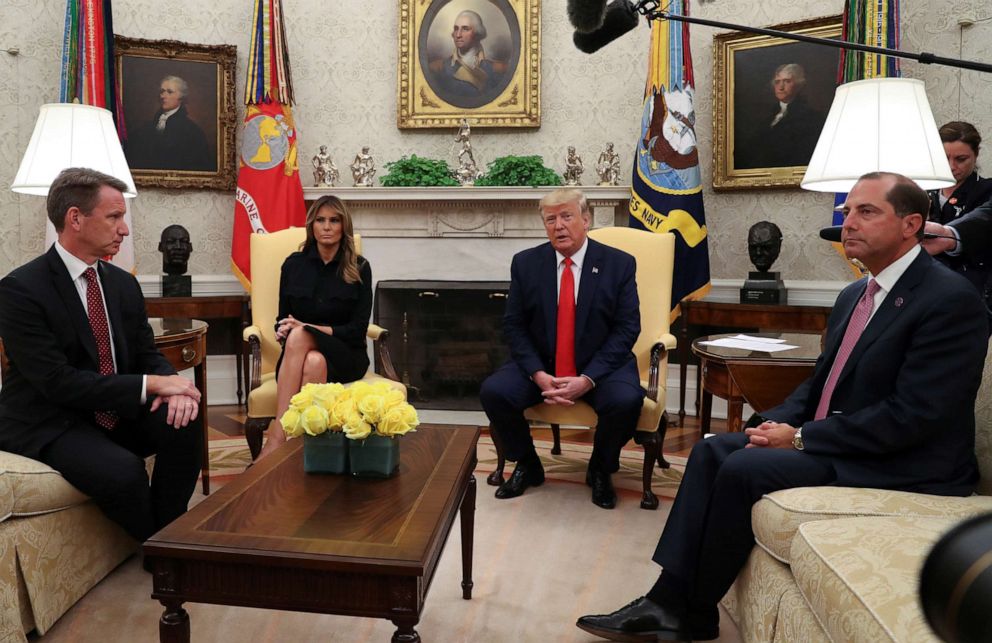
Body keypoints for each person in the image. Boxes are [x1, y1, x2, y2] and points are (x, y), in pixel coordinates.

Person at [576, 172, 989, 641]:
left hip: (908, 463)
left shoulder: (950, 300)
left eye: (866, 212)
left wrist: (799, 438)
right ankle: (672, 601)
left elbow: (915, 416)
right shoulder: (857, 292)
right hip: (848, 438)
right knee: (712, 451)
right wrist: (780, 419)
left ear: (912, 224)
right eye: (848, 210)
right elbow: (820, 382)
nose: (847, 222)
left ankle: (685, 610)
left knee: (744, 468)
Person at [0, 168, 202, 542]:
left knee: (185, 421)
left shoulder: (122, 284)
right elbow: (58, 383)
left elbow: (146, 352)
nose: (124, 229)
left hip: (111, 411)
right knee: (124, 472)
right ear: (75, 218)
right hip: (50, 420)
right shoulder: (20, 290)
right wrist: (151, 383)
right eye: (114, 217)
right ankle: (163, 547)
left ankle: (168, 539)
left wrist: (173, 384)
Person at [479, 188, 644, 509]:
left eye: (567, 216)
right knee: (494, 391)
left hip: (600, 367)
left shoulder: (618, 264)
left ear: (586, 220)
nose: (559, 226)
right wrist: (538, 374)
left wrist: (587, 378)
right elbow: (514, 325)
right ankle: (527, 463)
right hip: (542, 364)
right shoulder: (526, 264)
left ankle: (600, 468)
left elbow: (627, 329)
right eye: (550, 219)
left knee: (626, 400)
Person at [256, 196, 373, 460]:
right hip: (300, 357)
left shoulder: (360, 267)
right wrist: (282, 329)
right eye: (320, 220)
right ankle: (301, 451)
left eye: (334, 220)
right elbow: (281, 316)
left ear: (344, 226)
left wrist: (307, 328)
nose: (327, 226)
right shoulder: (293, 265)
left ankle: (277, 435)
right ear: (312, 225)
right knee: (313, 362)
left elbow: (356, 330)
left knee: (301, 334)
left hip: (346, 355)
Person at [922, 121, 992, 309]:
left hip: (971, 295)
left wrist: (948, 234)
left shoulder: (987, 190)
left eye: (961, 159)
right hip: (925, 293)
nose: (952, 166)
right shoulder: (923, 192)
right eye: (944, 158)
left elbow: (983, 219)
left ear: (975, 155)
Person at [735, 63, 825, 169]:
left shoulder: (812, 118)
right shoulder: (767, 117)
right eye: (777, 82)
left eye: (787, 81)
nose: (781, 87)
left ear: (799, 85)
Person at [124, 75, 213, 172]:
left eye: (169, 92)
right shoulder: (146, 127)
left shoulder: (192, 131)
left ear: (181, 97)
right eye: (162, 91)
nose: (163, 96)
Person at [428, 9, 508, 100]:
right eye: (456, 28)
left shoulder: (499, 69)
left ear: (477, 33)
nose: (458, 35)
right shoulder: (437, 68)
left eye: (465, 29)